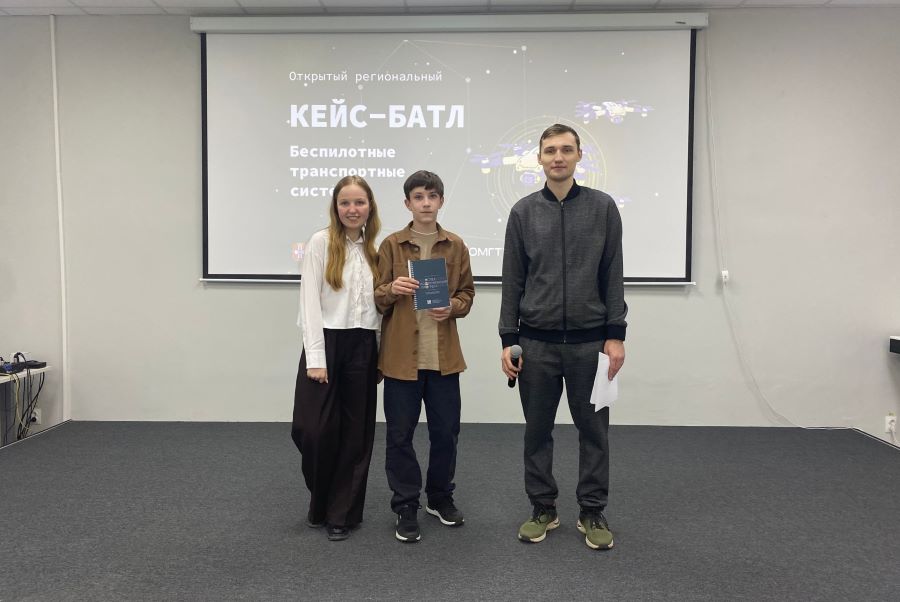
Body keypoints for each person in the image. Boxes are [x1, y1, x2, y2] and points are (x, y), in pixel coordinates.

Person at [499, 124, 627, 550]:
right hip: (536, 344)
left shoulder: (603, 208)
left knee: (594, 433)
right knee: (537, 431)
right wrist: (508, 338)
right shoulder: (523, 212)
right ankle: (543, 508)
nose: (558, 157)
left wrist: (615, 334)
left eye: (566, 150)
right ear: (539, 158)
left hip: (591, 345)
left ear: (578, 156)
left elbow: (613, 273)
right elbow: (513, 280)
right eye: (550, 150)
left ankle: (592, 511)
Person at [374, 170, 475, 543]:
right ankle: (405, 504)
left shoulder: (456, 245)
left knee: (446, 433)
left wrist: (453, 307)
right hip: (401, 359)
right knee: (399, 436)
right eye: (418, 197)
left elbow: (467, 295)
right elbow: (376, 297)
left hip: (444, 359)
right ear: (408, 203)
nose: (426, 203)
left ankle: (439, 496)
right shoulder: (391, 245)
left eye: (432, 196)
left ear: (441, 201)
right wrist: (393, 288)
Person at [291, 175, 382, 542]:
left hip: (364, 344)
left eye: (359, 202)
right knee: (312, 430)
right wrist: (316, 357)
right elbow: (309, 301)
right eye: (345, 202)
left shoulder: (376, 249)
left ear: (370, 207)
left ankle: (342, 513)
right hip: (326, 342)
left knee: (356, 435)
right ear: (335, 207)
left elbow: (380, 308)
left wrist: (380, 355)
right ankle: (321, 500)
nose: (352, 209)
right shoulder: (321, 242)